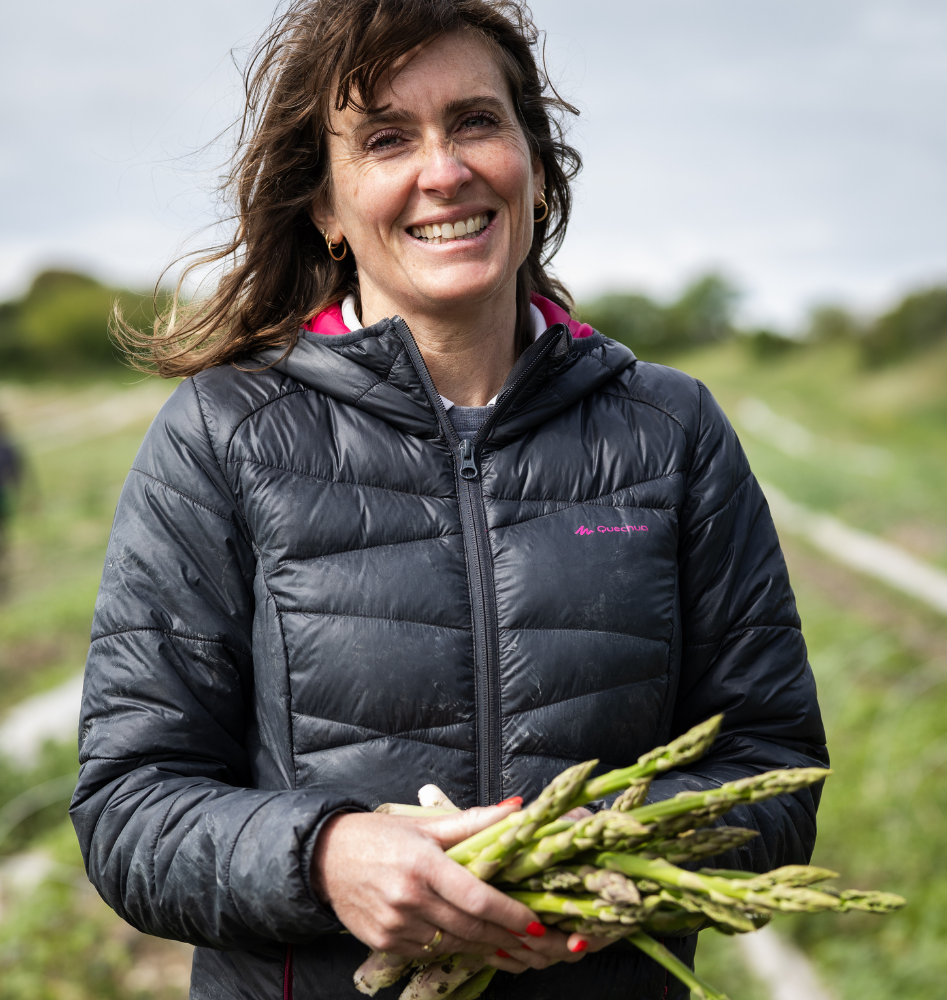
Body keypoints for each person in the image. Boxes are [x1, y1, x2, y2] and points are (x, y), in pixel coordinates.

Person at [71, 2, 827, 998]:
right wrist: (323, 855)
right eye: (387, 137)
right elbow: (130, 804)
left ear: (536, 166)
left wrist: (593, 866)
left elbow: (771, 766)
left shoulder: (670, 431)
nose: (443, 170)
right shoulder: (224, 435)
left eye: (475, 121)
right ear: (328, 208)